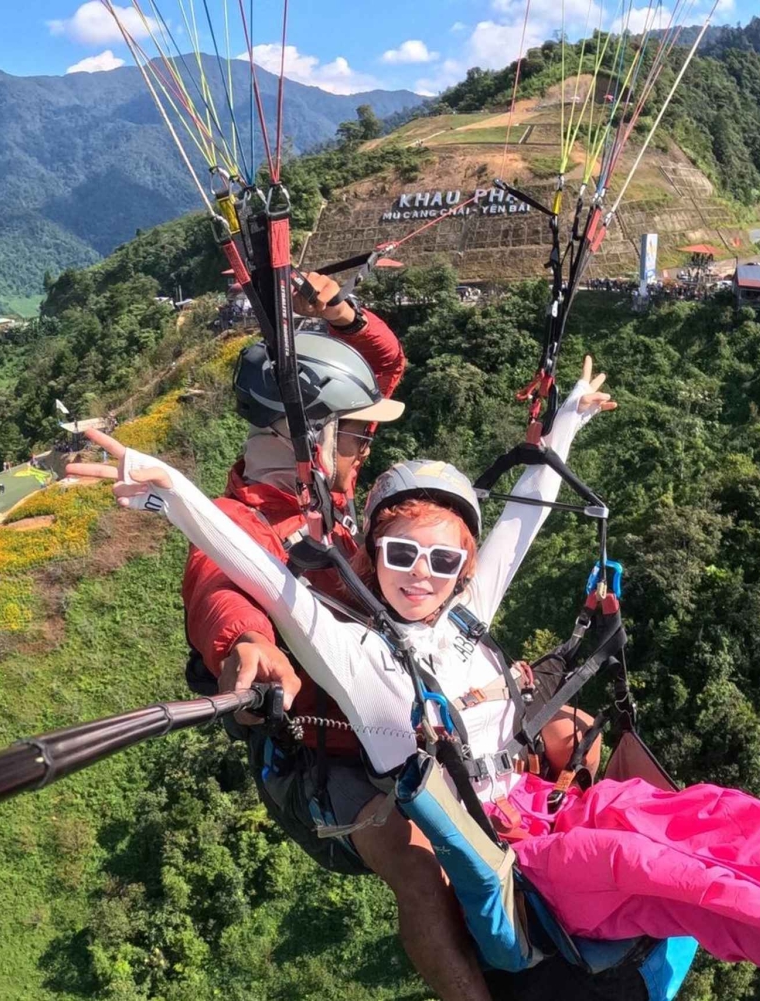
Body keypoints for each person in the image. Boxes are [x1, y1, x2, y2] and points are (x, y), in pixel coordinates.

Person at [69, 356, 760, 1001]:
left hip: (554, 803)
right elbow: (261, 569)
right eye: (400, 554)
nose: (420, 578)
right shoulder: (357, 656)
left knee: (714, 814)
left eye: (444, 563)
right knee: (664, 876)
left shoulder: (461, 616)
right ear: (372, 549)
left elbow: (520, 523)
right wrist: (158, 483)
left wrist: (564, 424)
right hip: (521, 863)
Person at [177, 271, 495, 1001]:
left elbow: (384, 370)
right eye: (352, 434)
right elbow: (220, 587)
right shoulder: (243, 523)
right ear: (311, 438)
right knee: (419, 865)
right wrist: (245, 650)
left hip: (397, 729)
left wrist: (340, 314)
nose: (364, 444)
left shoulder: (334, 493)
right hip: (322, 765)